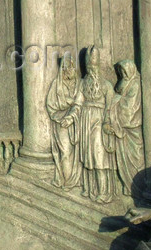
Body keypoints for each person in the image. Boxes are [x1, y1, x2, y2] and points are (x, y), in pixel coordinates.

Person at [61, 46, 117, 203]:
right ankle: (91, 188)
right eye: (89, 66)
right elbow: (78, 104)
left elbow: (110, 106)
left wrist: (107, 122)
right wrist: (70, 118)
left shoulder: (106, 85)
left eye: (94, 65)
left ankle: (105, 192)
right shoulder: (83, 84)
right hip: (85, 121)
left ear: (98, 65)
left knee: (100, 158)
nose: (92, 69)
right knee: (88, 156)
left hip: (99, 121)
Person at [104, 59, 144, 196]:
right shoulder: (124, 81)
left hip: (131, 127)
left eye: (125, 71)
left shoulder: (136, 84)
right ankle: (128, 186)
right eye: (121, 71)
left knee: (135, 157)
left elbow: (130, 107)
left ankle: (137, 185)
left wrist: (115, 101)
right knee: (123, 158)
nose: (123, 73)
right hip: (121, 127)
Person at [46, 52, 82, 190]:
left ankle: (75, 180)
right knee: (66, 152)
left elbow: (79, 103)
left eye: (71, 67)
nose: (68, 70)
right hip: (60, 122)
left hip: (76, 122)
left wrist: (71, 117)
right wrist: (61, 116)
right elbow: (50, 105)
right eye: (65, 67)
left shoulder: (80, 83)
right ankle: (67, 180)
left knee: (77, 153)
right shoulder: (56, 84)